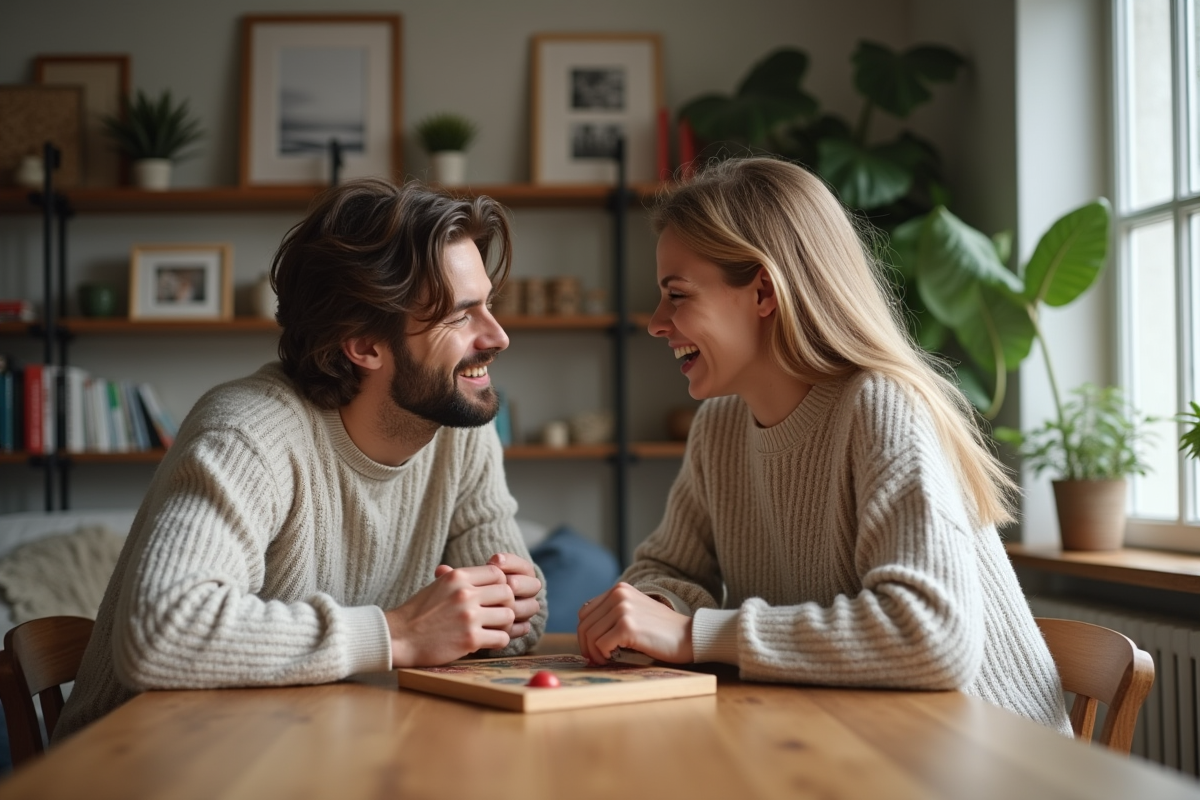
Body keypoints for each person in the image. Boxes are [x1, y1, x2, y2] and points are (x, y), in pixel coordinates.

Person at [576, 157, 1072, 734]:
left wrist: (694, 634)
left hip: (992, 758)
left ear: (763, 292)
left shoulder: (880, 406)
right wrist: (658, 608)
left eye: (677, 295)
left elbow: (931, 635)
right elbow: (666, 566)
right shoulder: (719, 427)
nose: (657, 323)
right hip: (867, 740)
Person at [57, 179, 546, 739]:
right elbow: (160, 632)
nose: (498, 336)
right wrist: (398, 634)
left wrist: (508, 605)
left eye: (488, 304)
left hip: (298, 742)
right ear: (364, 345)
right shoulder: (249, 434)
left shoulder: (458, 430)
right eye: (460, 316)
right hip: (137, 759)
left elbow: (519, 627)